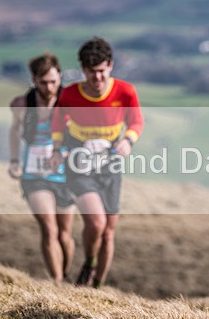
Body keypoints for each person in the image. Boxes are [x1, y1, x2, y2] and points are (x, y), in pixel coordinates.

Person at [49, 37, 144, 288]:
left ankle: (97, 285)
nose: (97, 79)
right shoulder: (70, 94)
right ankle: (90, 261)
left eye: (101, 71)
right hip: (79, 163)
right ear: (83, 70)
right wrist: (57, 149)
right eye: (91, 73)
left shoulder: (125, 91)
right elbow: (57, 122)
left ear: (110, 66)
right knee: (96, 222)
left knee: (109, 231)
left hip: (110, 164)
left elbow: (136, 122)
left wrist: (128, 141)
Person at [9, 52, 76, 283]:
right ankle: (57, 283)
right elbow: (14, 131)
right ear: (34, 80)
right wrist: (14, 161)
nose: (49, 87)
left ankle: (65, 275)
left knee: (65, 234)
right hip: (33, 174)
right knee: (49, 229)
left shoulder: (70, 102)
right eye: (43, 82)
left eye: (54, 82)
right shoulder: (22, 104)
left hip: (65, 175)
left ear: (60, 78)